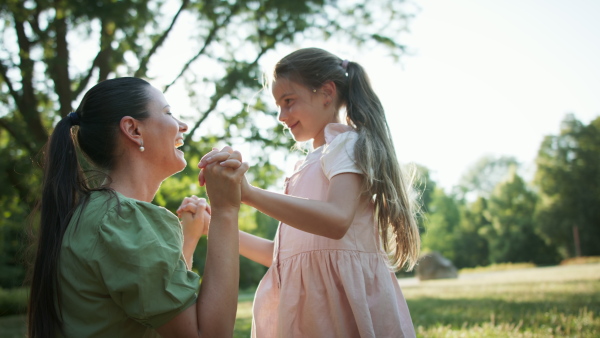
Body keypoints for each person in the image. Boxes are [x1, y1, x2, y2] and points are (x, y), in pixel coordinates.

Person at [200, 47, 420, 337]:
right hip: (308, 310)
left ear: (326, 92)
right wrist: (209, 225)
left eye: (289, 101)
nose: (281, 116)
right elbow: (281, 256)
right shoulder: (303, 165)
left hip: (340, 307)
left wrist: (249, 193)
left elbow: (337, 220)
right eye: (278, 105)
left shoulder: (346, 145)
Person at [27, 77, 248, 338]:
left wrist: (187, 240)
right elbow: (207, 334)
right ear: (133, 130)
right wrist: (225, 209)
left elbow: (155, 306)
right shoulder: (123, 221)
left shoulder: (95, 214)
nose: (183, 125)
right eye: (168, 113)